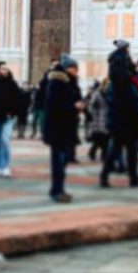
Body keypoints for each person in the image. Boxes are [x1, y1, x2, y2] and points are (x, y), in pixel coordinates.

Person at [99, 39, 138, 189]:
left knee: (122, 151)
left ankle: (123, 178)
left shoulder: (113, 85)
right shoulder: (125, 86)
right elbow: (133, 106)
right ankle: (126, 178)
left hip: (119, 123)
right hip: (126, 123)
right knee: (123, 152)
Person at [42, 54, 83, 203]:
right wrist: (73, 106)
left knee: (63, 160)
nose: (76, 71)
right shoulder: (56, 83)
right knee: (58, 161)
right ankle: (56, 190)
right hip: (57, 129)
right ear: (67, 69)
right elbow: (55, 106)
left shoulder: (71, 83)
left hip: (66, 128)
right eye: (73, 68)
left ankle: (59, 189)